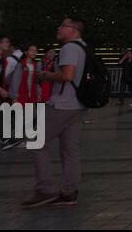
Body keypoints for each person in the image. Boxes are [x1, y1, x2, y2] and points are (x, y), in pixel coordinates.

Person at [24, 18, 89, 208]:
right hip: (77, 105)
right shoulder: (84, 47)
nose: (59, 29)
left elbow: (67, 76)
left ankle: (45, 189)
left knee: (35, 142)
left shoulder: (69, 48)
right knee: (70, 150)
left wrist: (44, 75)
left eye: (63, 26)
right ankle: (69, 192)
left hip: (62, 104)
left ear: (74, 30)